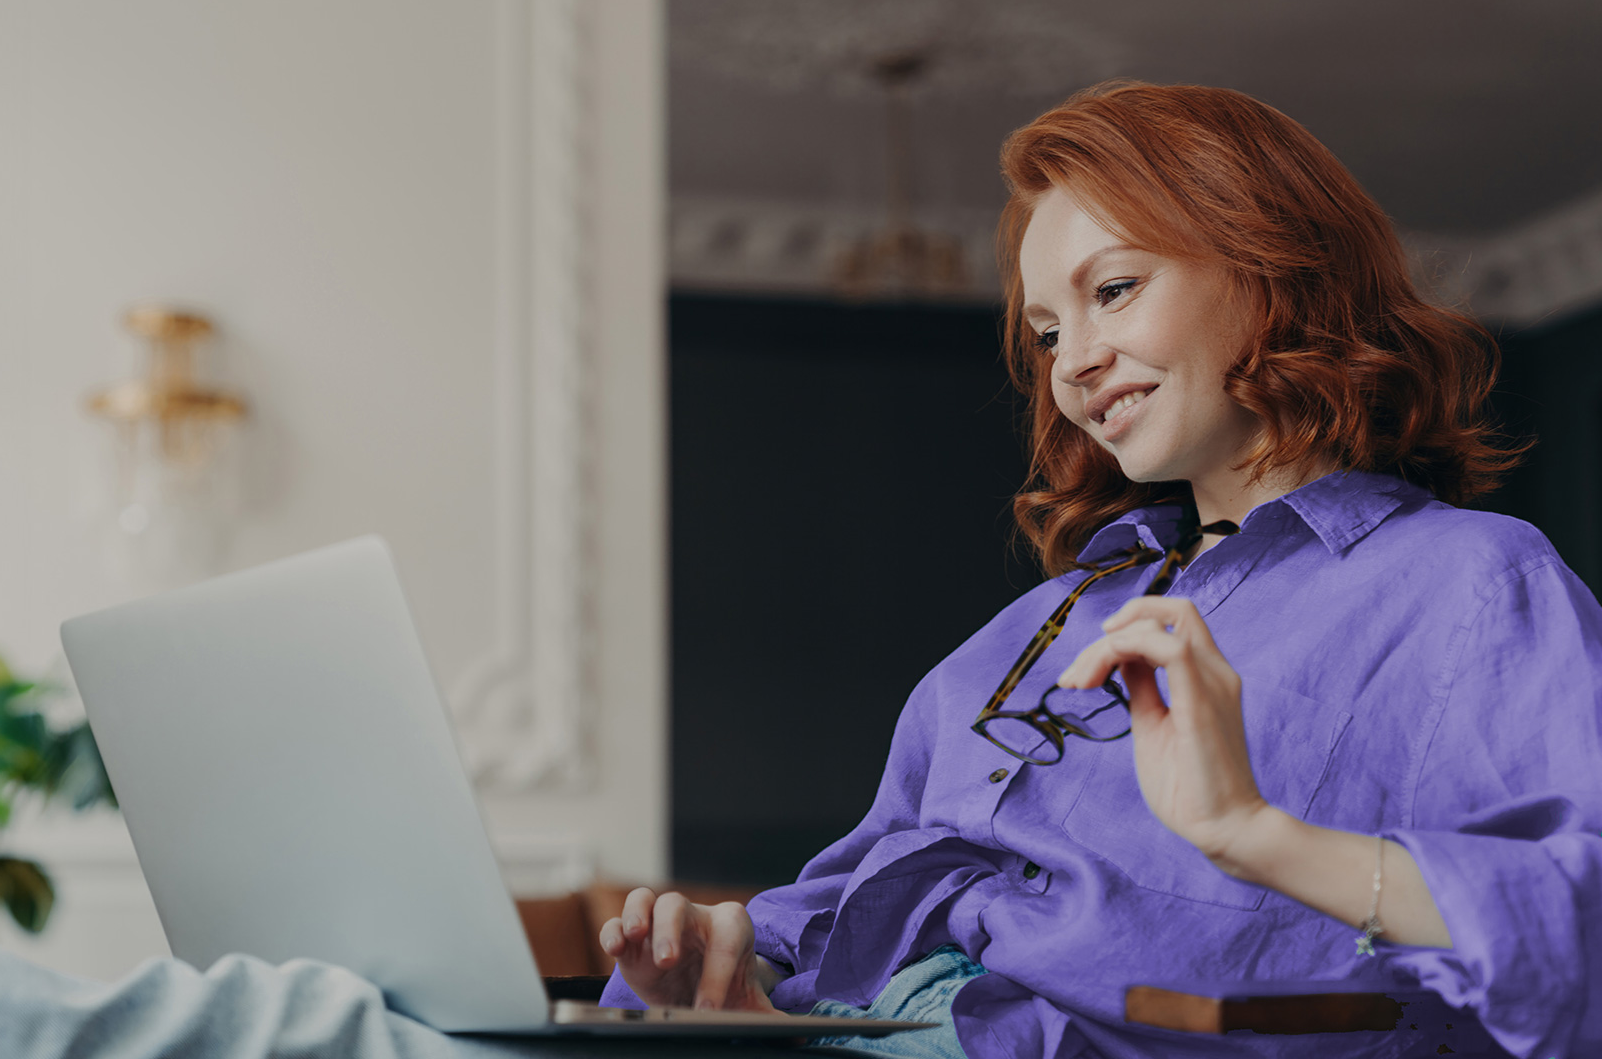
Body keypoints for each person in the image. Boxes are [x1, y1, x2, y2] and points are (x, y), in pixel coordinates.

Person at [597, 81, 1602, 1058]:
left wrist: (1248, 831)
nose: (1071, 361)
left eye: (1113, 290)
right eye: (1045, 333)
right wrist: (724, 974)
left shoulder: (1470, 582)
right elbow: (840, 897)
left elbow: (1576, 930)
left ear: (1274, 269)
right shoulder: (1040, 623)